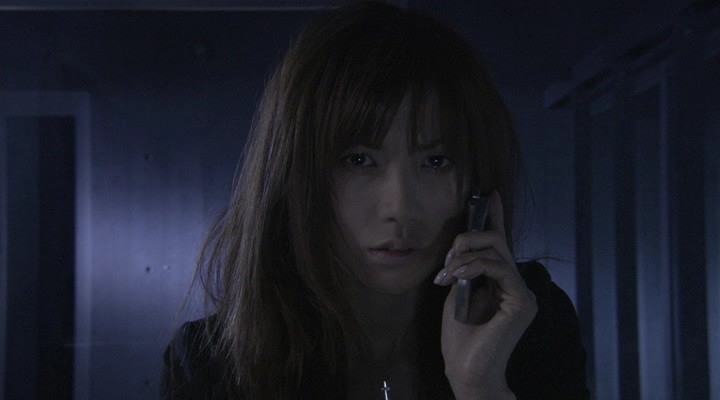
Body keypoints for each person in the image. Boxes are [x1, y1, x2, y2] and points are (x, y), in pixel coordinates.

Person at [161, 1, 589, 399]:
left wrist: (481, 388)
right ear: (297, 179)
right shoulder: (212, 364)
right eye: (359, 160)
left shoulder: (527, 324)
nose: (399, 208)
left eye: (436, 161)